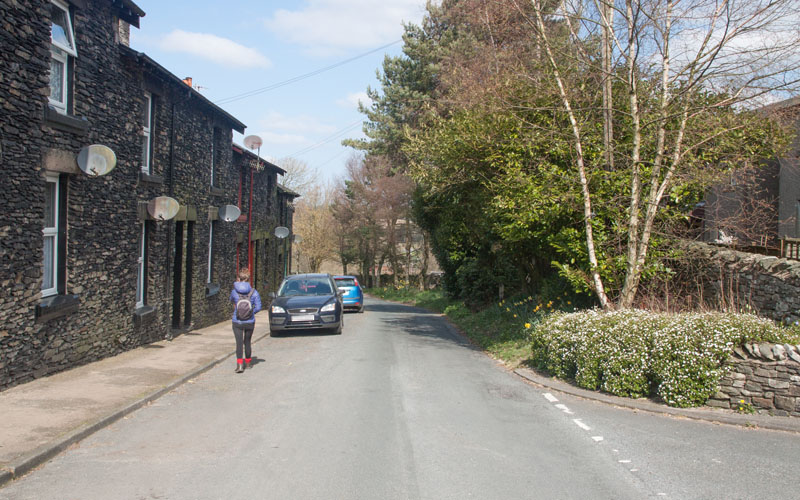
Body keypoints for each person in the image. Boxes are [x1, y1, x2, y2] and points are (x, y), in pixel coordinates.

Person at [229, 268, 262, 373]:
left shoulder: (234, 291)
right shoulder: (254, 292)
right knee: (247, 342)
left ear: (239, 278)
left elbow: (231, 301)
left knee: (239, 343)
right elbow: (258, 307)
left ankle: (239, 365)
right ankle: (247, 363)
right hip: (250, 321)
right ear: (248, 279)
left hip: (237, 321)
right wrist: (251, 313)